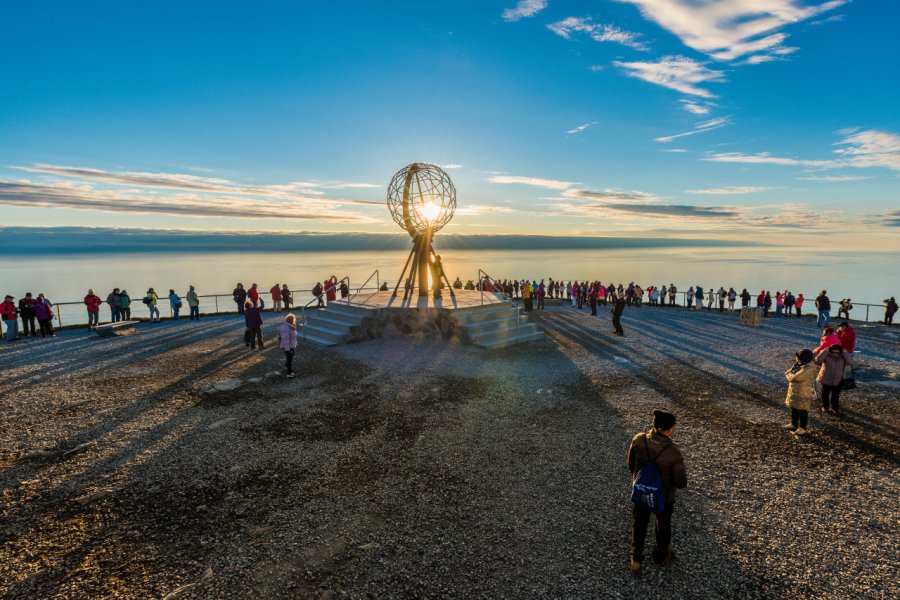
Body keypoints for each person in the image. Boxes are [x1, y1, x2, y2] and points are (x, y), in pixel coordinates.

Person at [627, 410, 686, 575]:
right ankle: (661, 556)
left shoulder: (639, 439)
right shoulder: (673, 452)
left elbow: (631, 464)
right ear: (668, 430)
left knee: (639, 523)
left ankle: (636, 558)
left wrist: (641, 481)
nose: (675, 429)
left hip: (641, 492)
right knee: (663, 525)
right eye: (674, 426)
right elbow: (681, 482)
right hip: (664, 497)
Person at [784, 349, 816, 435]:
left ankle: (802, 428)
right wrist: (789, 374)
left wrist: (789, 375)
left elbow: (794, 377)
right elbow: (789, 372)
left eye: (797, 357)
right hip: (795, 390)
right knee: (794, 408)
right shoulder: (799, 364)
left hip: (803, 392)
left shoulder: (808, 368)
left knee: (802, 410)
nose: (796, 358)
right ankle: (794, 424)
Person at [815, 343, 851, 415]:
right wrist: (825, 351)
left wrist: (845, 352)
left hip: (838, 380)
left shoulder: (843, 357)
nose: (835, 354)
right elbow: (818, 360)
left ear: (840, 352)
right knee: (825, 394)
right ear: (830, 351)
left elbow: (850, 362)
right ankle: (825, 406)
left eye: (837, 352)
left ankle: (834, 408)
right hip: (826, 378)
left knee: (835, 395)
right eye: (833, 352)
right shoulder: (827, 356)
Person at [279, 313, 299, 377]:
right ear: (292, 320)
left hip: (291, 345)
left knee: (290, 357)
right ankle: (289, 373)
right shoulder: (286, 328)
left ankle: (287, 366)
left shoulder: (289, 326)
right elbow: (285, 339)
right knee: (289, 358)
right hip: (288, 346)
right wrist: (288, 349)